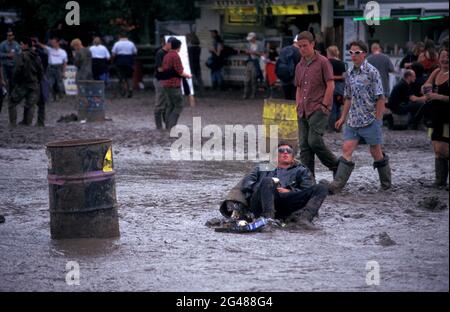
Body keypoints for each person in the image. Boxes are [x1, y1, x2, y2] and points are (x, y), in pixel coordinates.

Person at [320, 40, 391, 194]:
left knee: (376, 152)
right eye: (351, 53)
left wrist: (378, 120)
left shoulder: (373, 72)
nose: (353, 55)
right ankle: (337, 185)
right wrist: (343, 118)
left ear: (364, 54)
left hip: (371, 119)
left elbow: (380, 98)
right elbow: (348, 98)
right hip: (353, 120)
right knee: (347, 149)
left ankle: (386, 184)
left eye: (357, 52)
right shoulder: (350, 72)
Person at [219, 143, 328, 230]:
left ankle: (304, 220)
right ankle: (268, 220)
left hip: (287, 201)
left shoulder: (301, 170)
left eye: (289, 151)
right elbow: (247, 182)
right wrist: (262, 190)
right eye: (281, 151)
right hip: (261, 202)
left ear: (293, 156)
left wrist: (289, 191)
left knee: (322, 187)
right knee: (268, 181)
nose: (285, 153)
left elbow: (306, 190)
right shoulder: (263, 167)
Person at [295, 31, 338, 178]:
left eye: (305, 46)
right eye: (299, 46)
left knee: (314, 141)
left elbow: (330, 85)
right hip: (303, 110)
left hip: (318, 108)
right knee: (304, 147)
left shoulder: (323, 62)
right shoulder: (299, 65)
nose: (302, 49)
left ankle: (336, 165)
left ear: (313, 44)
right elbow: (299, 87)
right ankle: (308, 178)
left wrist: (325, 106)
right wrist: (298, 105)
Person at [422, 48, 449, 188]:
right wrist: (426, 91)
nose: (445, 59)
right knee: (436, 148)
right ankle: (440, 181)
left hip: (447, 117)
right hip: (434, 115)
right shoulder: (436, 71)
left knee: (445, 148)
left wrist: (437, 96)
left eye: (448, 56)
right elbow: (426, 85)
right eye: (443, 56)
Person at [7, 37, 43, 127]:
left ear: (26, 45)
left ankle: (13, 123)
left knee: (12, 102)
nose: (20, 46)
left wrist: (15, 81)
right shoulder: (36, 56)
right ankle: (28, 122)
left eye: (21, 44)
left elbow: (17, 70)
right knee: (30, 104)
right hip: (34, 83)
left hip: (23, 83)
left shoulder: (22, 55)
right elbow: (41, 71)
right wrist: (38, 80)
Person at [161, 38, 192, 130]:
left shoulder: (166, 55)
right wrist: (188, 75)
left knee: (170, 105)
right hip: (174, 84)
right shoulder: (175, 56)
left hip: (165, 83)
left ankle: (167, 125)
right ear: (178, 47)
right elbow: (180, 71)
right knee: (179, 105)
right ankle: (172, 126)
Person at [38, 37, 68, 102]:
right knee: (50, 83)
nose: (52, 44)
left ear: (57, 43)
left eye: (54, 42)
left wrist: (64, 71)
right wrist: (37, 42)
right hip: (50, 67)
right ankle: (52, 97)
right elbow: (43, 46)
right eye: (52, 43)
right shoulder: (50, 49)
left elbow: (65, 62)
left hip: (58, 67)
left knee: (59, 84)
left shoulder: (62, 52)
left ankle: (61, 96)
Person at [111, 32, 137, 98]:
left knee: (120, 76)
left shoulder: (117, 43)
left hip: (120, 60)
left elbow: (113, 54)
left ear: (120, 36)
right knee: (129, 77)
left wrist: (113, 60)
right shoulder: (131, 43)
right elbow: (135, 52)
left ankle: (122, 89)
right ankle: (130, 88)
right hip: (129, 60)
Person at [326, 45, 346, 132]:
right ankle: (339, 127)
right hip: (340, 87)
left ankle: (331, 127)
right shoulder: (342, 63)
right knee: (338, 107)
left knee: (332, 108)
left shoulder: (327, 62)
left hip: (331, 86)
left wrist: (331, 78)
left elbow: (326, 76)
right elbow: (344, 76)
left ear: (329, 53)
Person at [275, 34, 301, 100]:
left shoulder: (284, 50)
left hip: (284, 79)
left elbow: (278, 62)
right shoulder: (300, 52)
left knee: (287, 98)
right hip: (294, 80)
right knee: (294, 99)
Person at [0, 30, 21, 110]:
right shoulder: (2, 44)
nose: (9, 37)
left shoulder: (16, 44)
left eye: (11, 35)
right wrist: (7, 55)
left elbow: (19, 52)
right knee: (4, 81)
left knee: (13, 81)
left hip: (13, 66)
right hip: (5, 65)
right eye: (8, 35)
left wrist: (15, 55)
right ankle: (3, 95)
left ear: (13, 36)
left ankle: (12, 96)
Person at [243, 32, 264, 99]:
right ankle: (245, 93)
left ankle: (253, 94)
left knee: (253, 79)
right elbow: (246, 52)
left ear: (254, 38)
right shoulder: (248, 44)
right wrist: (247, 52)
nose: (250, 40)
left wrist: (252, 52)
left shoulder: (259, 44)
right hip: (249, 62)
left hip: (256, 62)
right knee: (246, 79)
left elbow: (262, 53)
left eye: (251, 39)